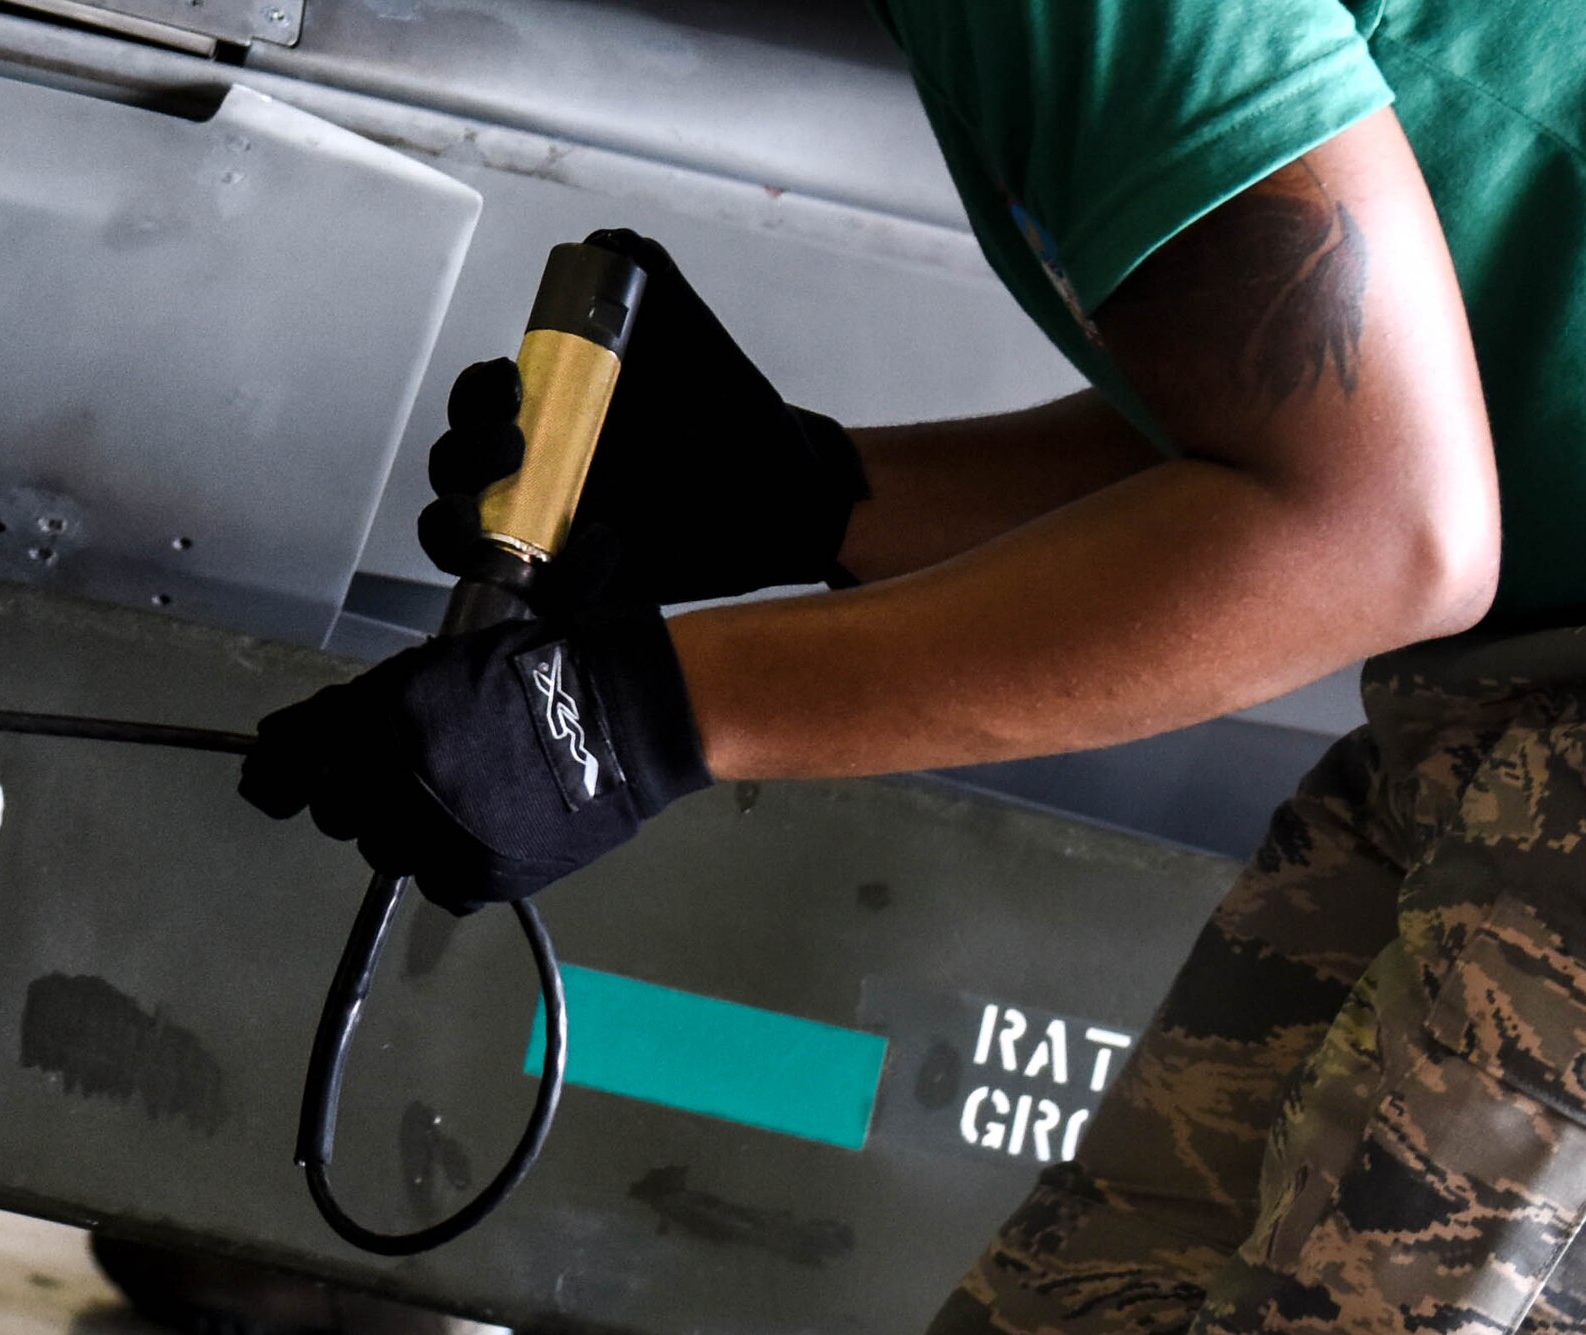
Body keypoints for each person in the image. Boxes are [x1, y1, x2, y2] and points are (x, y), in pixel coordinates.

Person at [242, 2, 1586, 1328]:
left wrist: (619, 723)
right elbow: (1332, 402)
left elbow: (1383, 533)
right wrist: (801, 496)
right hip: (1506, 702)